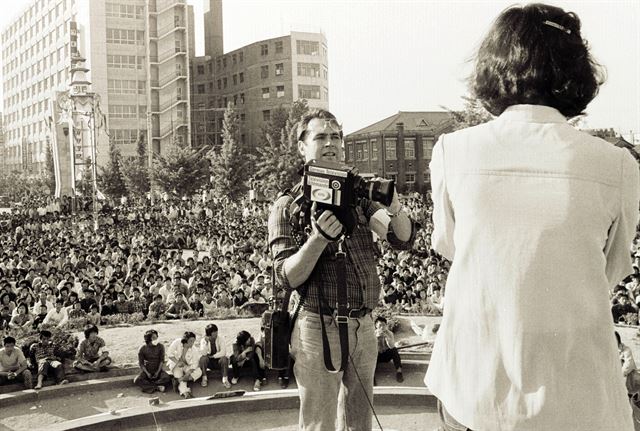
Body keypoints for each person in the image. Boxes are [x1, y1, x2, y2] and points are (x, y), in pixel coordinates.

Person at [424, 4, 639, 430]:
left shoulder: (452, 151)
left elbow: (450, 246)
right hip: (576, 395)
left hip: (474, 388)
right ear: (575, 72)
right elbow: (611, 269)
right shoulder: (617, 165)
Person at [268, 109, 416, 429]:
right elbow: (286, 276)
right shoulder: (288, 204)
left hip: (363, 325)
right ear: (301, 146)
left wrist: (395, 206)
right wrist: (319, 239)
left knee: (359, 422)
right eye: (320, 136)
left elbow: (399, 237)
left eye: (336, 136)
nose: (331, 142)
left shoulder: (358, 193)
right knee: (320, 423)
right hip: (317, 325)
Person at [134, 329, 172, 393]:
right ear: (148, 339)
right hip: (147, 370)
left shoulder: (160, 346)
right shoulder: (142, 348)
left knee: (167, 378)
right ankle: (157, 387)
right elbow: (141, 364)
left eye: (156, 337)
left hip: (158, 370)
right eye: (154, 338)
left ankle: (149, 386)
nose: (156, 339)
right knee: (137, 380)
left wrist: (157, 372)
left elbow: (161, 361)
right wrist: (147, 373)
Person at [166, 331, 202, 398]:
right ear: (186, 340)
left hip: (186, 366)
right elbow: (169, 353)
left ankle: (177, 381)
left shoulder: (194, 349)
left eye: (193, 341)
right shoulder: (177, 342)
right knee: (179, 374)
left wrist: (187, 374)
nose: (192, 343)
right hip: (175, 365)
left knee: (199, 372)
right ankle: (185, 392)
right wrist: (177, 362)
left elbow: (195, 364)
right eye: (191, 341)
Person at [198, 323, 231, 389]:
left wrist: (213, 356)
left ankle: (225, 379)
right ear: (209, 333)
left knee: (224, 359)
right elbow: (203, 353)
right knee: (203, 359)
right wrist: (206, 343)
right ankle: (204, 378)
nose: (216, 333)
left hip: (218, 361)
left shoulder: (220, 339)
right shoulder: (203, 341)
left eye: (216, 331)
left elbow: (223, 352)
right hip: (209, 362)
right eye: (214, 332)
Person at [374, 317, 403, 383]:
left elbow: (391, 346)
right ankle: (372, 376)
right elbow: (371, 348)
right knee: (370, 354)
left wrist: (386, 337)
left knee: (394, 350)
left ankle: (399, 372)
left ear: (386, 325)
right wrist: (376, 338)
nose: (382, 327)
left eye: (384, 325)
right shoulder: (373, 334)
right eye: (380, 325)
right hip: (377, 356)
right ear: (376, 326)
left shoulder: (390, 333)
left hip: (386, 356)